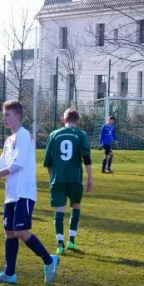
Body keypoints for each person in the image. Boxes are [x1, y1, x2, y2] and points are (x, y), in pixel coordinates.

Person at [0, 100, 59, 285]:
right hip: (11, 194)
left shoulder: (24, 135)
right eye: (3, 115)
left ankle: (49, 260)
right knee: (9, 231)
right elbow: (0, 165)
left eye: (7, 115)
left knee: (20, 230)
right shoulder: (9, 140)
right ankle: (9, 274)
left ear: (18, 116)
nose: (4, 118)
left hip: (24, 193)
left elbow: (17, 165)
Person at [43, 108, 93, 255]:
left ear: (63, 120)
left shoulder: (54, 135)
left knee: (59, 209)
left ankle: (60, 244)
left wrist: (52, 177)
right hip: (75, 178)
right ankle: (71, 240)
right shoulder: (81, 134)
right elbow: (86, 158)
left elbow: (48, 162)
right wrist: (90, 178)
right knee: (76, 206)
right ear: (78, 120)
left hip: (58, 178)